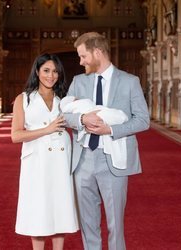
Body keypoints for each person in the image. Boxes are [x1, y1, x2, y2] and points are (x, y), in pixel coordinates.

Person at [63, 32, 150, 250]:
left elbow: (143, 120)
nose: (81, 61)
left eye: (83, 56)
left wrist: (110, 129)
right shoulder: (78, 81)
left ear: (98, 52)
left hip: (113, 159)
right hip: (82, 160)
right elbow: (64, 115)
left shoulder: (130, 82)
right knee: (88, 223)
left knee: (115, 224)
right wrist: (82, 118)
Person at [11, 53, 79, 250]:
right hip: (37, 162)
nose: (51, 76)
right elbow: (15, 135)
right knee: (39, 211)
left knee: (60, 209)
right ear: (37, 72)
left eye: (55, 71)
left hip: (61, 160)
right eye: (46, 70)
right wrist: (46, 130)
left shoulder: (64, 99)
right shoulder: (24, 99)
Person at [60, 95, 128, 169]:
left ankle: (120, 116)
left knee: (110, 115)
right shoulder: (76, 86)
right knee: (108, 116)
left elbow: (141, 119)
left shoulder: (129, 84)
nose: (78, 99)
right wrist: (82, 118)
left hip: (109, 156)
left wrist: (110, 130)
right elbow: (63, 117)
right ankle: (120, 117)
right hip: (83, 155)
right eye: (75, 100)